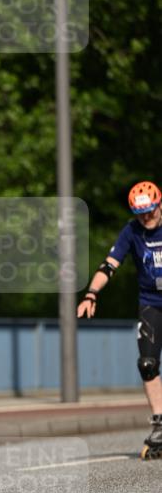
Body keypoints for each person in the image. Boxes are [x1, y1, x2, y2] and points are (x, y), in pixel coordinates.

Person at [77, 180, 162, 459]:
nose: (146, 218)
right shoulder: (132, 231)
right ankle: (160, 424)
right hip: (151, 304)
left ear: (160, 205)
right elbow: (109, 265)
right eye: (140, 214)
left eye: (150, 211)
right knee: (147, 364)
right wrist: (91, 294)